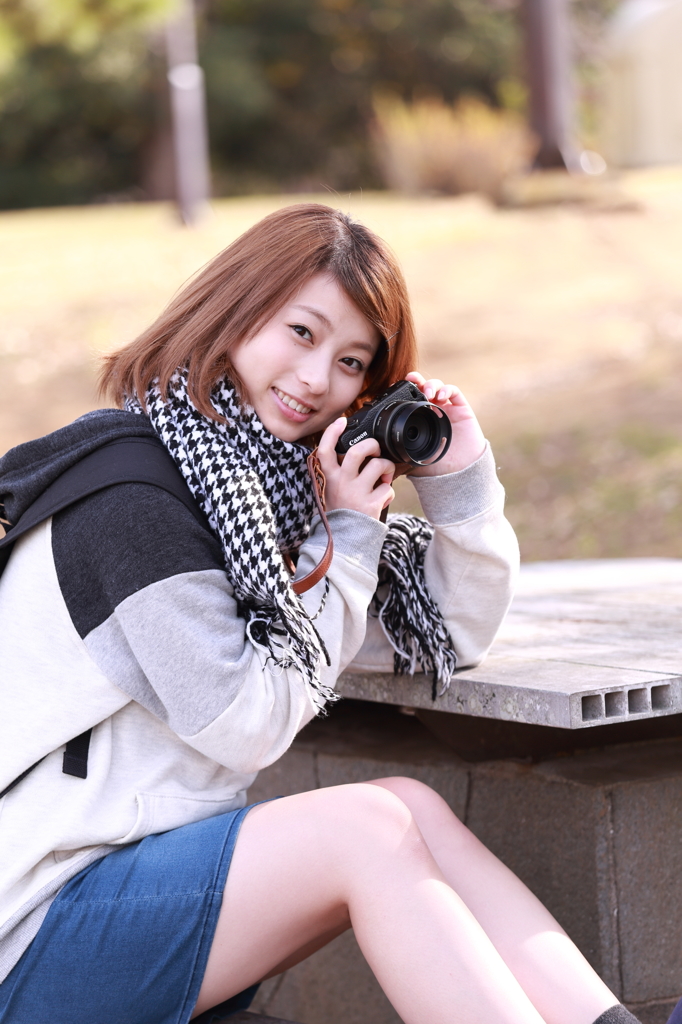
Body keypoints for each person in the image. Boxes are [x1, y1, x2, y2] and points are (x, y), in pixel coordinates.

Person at [0, 203, 641, 1024]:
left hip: (120, 885)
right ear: (232, 312)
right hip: (31, 927)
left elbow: (453, 631)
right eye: (300, 333)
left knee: (410, 805)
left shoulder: (264, 517)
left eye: (350, 362)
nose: (316, 379)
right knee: (366, 830)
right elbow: (247, 722)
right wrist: (347, 538)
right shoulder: (134, 502)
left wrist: (461, 476)